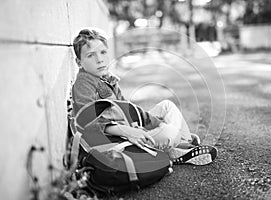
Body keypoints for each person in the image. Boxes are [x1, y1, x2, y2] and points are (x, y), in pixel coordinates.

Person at [71, 28, 217, 165]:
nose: (99, 60)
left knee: (167, 106)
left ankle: (179, 145)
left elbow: (129, 110)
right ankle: (179, 145)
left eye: (103, 52)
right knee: (170, 132)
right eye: (91, 55)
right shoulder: (83, 83)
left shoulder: (106, 79)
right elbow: (87, 122)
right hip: (118, 140)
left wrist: (154, 123)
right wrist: (127, 131)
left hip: (130, 127)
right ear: (79, 62)